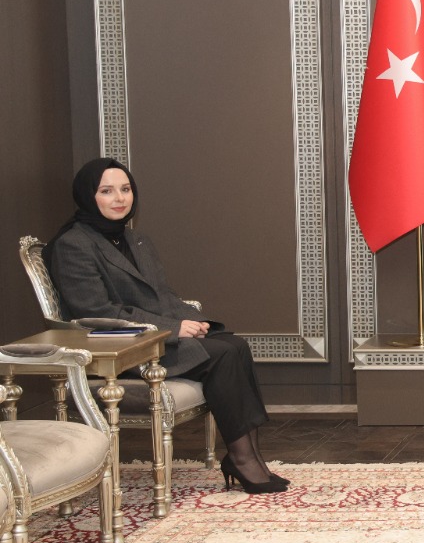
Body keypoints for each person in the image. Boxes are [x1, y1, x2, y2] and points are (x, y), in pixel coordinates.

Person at [46, 158, 288, 493]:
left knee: (236, 345)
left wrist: (192, 321)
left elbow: (162, 296)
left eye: (125, 189)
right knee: (222, 355)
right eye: (107, 191)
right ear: (88, 196)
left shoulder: (135, 239)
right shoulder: (74, 244)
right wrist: (173, 329)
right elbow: (97, 311)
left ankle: (251, 457)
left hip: (153, 336)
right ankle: (242, 459)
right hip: (122, 349)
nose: (120, 198)